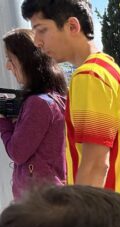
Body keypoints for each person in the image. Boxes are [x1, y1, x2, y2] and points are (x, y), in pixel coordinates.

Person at [21, 0, 120, 210]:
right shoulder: (109, 70)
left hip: (107, 223)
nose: (37, 41)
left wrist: (76, 224)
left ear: (72, 26)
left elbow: (95, 165)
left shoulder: (88, 76)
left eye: (42, 30)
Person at [0, 28, 66, 200]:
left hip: (37, 204)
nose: (8, 66)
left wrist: (3, 122)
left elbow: (17, 152)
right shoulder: (54, 98)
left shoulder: (38, 103)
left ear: (26, 60)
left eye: (11, 59)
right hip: (48, 196)